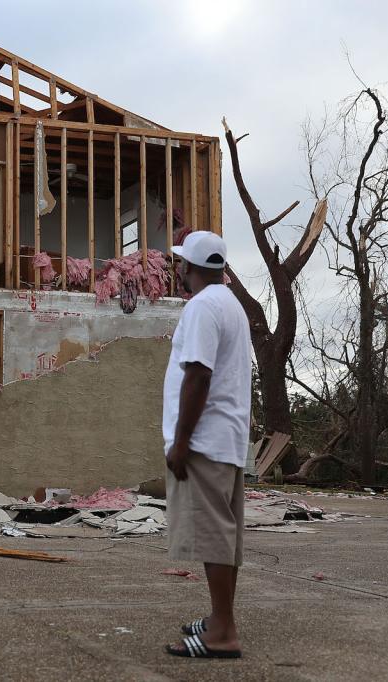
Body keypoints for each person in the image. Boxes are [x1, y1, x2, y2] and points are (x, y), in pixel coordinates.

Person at [161, 232, 252, 659]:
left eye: (181, 263)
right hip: (228, 438)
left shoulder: (200, 306)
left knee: (213, 537)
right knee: (225, 537)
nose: (179, 270)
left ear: (188, 268)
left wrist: (181, 442)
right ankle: (219, 620)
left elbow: (198, 374)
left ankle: (222, 634)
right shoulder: (230, 303)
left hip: (204, 440)